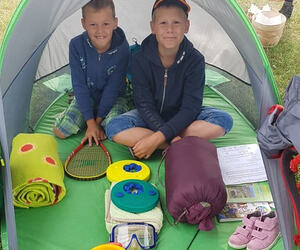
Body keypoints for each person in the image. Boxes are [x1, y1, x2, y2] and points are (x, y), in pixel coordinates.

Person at [105, 0, 233, 159]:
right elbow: (144, 105)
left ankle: (154, 143)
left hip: (183, 116)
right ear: (153, 27)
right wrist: (170, 137)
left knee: (224, 120)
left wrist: (157, 137)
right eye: (163, 23)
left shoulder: (195, 60)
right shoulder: (139, 58)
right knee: (114, 126)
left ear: (186, 26)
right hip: (150, 117)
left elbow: (191, 108)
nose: (170, 29)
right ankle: (175, 145)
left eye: (176, 22)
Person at [53, 0, 132, 145]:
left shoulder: (123, 49)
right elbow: (79, 85)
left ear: (115, 23)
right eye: (93, 24)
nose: (100, 30)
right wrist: (91, 125)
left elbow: (112, 89)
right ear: (84, 24)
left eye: (106, 24)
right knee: (60, 131)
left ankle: (99, 118)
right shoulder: (76, 45)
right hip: (88, 95)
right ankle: (80, 113)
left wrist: (97, 121)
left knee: (115, 130)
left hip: (114, 97)